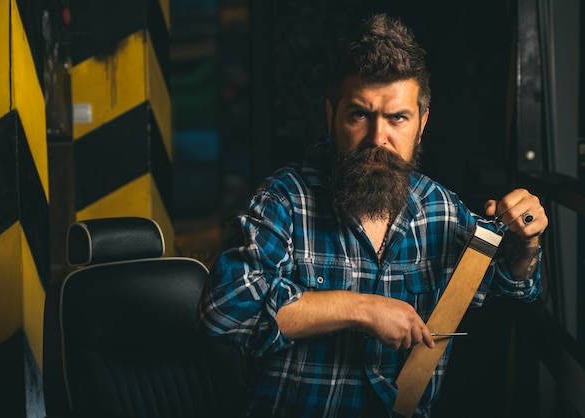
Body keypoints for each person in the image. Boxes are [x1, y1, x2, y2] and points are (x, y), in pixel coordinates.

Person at [198, 12, 547, 418]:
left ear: (422, 124)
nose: (378, 138)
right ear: (331, 117)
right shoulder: (286, 201)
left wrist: (526, 243)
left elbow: (515, 284)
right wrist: (362, 309)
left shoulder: (441, 211)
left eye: (397, 118)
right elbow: (224, 309)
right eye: (360, 115)